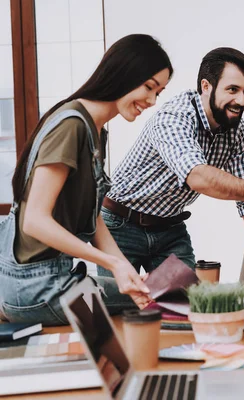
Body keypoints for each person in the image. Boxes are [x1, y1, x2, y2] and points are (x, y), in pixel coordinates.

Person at [0, 34, 171, 325]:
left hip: (51, 281)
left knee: (153, 289)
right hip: (36, 289)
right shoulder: (72, 126)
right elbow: (34, 221)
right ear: (124, 74)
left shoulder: (95, 128)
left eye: (160, 92)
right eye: (149, 87)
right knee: (167, 293)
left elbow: (93, 219)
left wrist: (123, 268)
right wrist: (110, 263)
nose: (152, 101)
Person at [99, 47, 244, 275]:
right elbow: (197, 177)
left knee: (187, 305)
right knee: (119, 304)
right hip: (121, 224)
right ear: (206, 86)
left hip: (170, 227)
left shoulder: (236, 128)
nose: (241, 100)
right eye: (232, 89)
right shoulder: (174, 117)